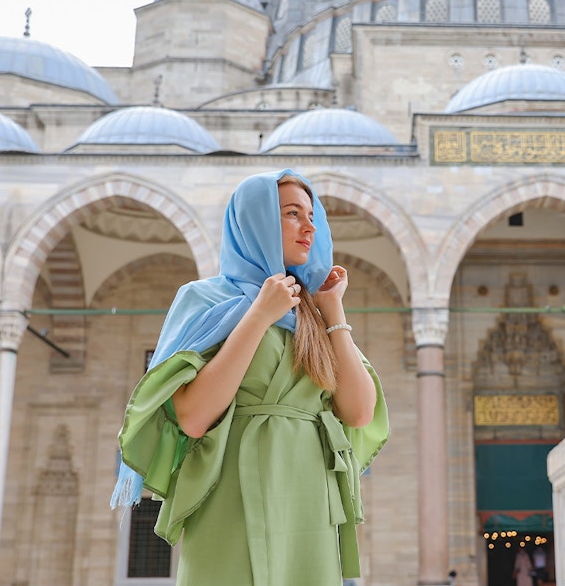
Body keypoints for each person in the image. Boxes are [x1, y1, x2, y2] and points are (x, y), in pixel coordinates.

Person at [110, 169, 389, 585]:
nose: (309, 226)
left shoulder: (312, 313)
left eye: (312, 215)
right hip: (232, 491)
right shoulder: (205, 299)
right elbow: (192, 416)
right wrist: (259, 314)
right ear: (255, 219)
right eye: (292, 213)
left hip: (311, 496)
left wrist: (334, 312)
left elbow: (360, 411)